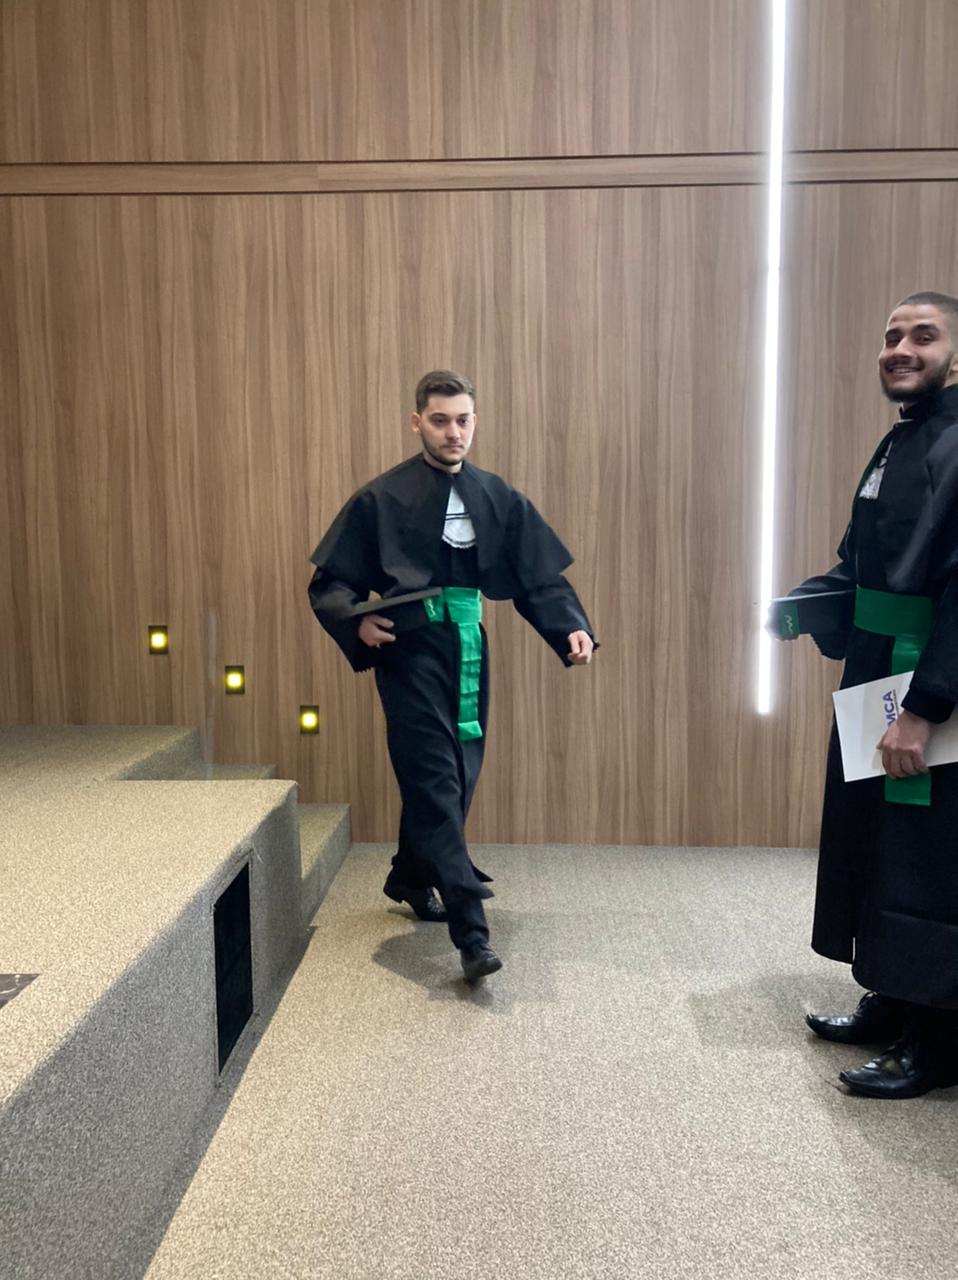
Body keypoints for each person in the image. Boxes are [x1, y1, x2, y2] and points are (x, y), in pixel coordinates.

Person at [307, 370, 597, 982]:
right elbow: (330, 584)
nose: (453, 432)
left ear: (474, 421)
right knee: (436, 777)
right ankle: (472, 933)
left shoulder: (496, 495)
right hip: (409, 650)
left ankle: (410, 876)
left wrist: (570, 626)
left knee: (458, 773)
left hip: (468, 647)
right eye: (439, 421)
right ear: (418, 422)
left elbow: (540, 578)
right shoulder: (382, 497)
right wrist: (356, 622)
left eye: (462, 420)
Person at [776, 291, 958, 1098]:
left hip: (928, 677)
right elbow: (861, 564)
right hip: (878, 668)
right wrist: (799, 607)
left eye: (924, 335)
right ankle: (894, 993)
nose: (901, 348)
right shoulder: (900, 439)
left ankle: (939, 1039)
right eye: (891, 335)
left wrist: (927, 706)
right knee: (877, 841)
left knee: (928, 856)